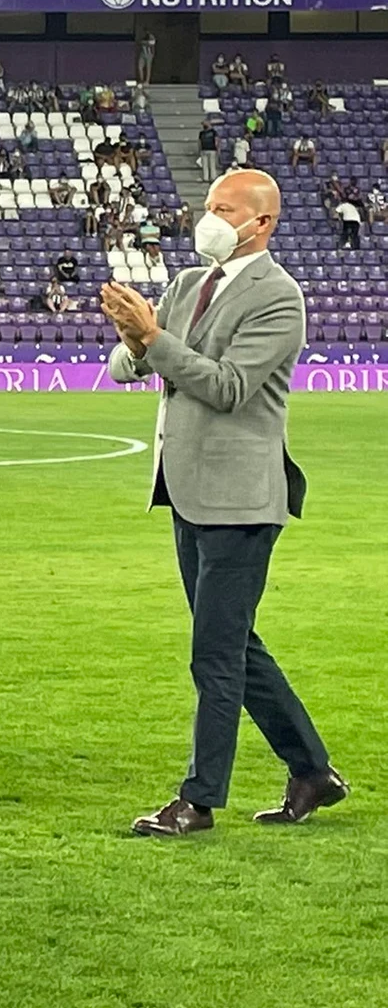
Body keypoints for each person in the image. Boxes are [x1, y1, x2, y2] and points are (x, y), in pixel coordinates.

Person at [102, 169, 343, 838]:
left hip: (241, 499)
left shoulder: (278, 298)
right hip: (188, 490)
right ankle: (312, 770)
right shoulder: (186, 285)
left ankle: (199, 800)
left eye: (223, 208)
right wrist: (133, 339)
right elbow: (136, 366)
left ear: (260, 222)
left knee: (213, 652)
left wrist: (153, 340)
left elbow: (229, 386)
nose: (207, 217)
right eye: (207, 205)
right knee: (235, 644)